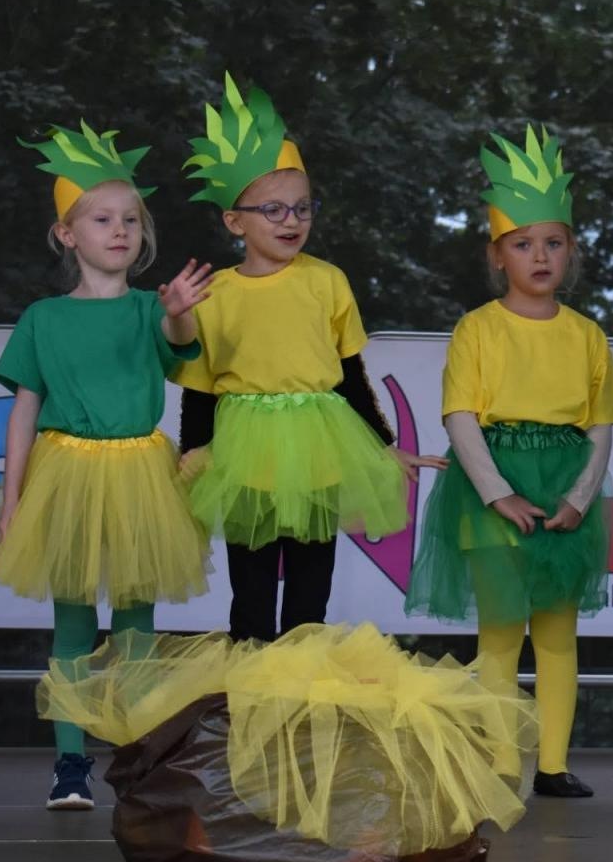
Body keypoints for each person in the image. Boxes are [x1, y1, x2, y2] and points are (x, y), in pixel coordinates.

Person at [0, 121, 212, 808]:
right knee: (74, 620)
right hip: (68, 473)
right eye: (102, 219)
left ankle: (139, 749)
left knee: (139, 616)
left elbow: (181, 347)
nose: (119, 231)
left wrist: (178, 314)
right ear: (67, 233)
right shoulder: (44, 318)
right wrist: (12, 496)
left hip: (139, 472)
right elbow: (25, 408)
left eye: (130, 220)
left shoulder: (151, 308)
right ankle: (69, 763)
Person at [407, 125, 613, 798]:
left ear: (571, 253)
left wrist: (579, 499)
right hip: (492, 491)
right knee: (501, 635)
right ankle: (504, 762)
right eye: (524, 244)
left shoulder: (586, 334)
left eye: (553, 243)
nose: (541, 256)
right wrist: (497, 491)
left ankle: (554, 766)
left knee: (558, 637)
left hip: (562, 486)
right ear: (497, 255)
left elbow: (599, 424)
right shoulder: (478, 328)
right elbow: (460, 417)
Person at [174, 74, 439, 641]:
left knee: (310, 580)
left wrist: (382, 443)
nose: (291, 221)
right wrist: (192, 446)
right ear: (234, 220)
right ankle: (247, 693)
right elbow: (201, 383)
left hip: (319, 444)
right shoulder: (215, 293)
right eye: (273, 210)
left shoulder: (327, 281)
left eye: (301, 208)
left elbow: (349, 375)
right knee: (251, 584)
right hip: (245, 450)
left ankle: (298, 688)